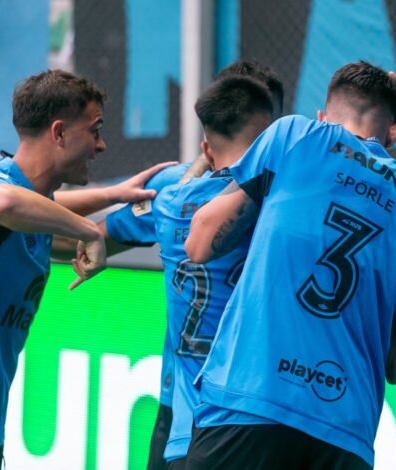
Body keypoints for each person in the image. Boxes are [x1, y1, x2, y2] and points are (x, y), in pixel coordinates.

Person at [182, 53, 396, 469]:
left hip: (250, 401)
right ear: (392, 134)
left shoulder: (295, 135)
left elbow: (200, 243)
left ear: (323, 116)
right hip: (344, 431)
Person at [0, 69, 172, 469]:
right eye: (95, 130)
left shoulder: (35, 215)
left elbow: (45, 210)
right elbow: (1, 203)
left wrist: (115, 197)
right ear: (59, 133)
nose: (102, 145)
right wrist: (87, 230)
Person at [95, 60, 284, 469]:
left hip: (222, 414)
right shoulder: (287, 197)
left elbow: (88, 242)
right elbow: (92, 241)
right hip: (197, 409)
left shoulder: (173, 192)